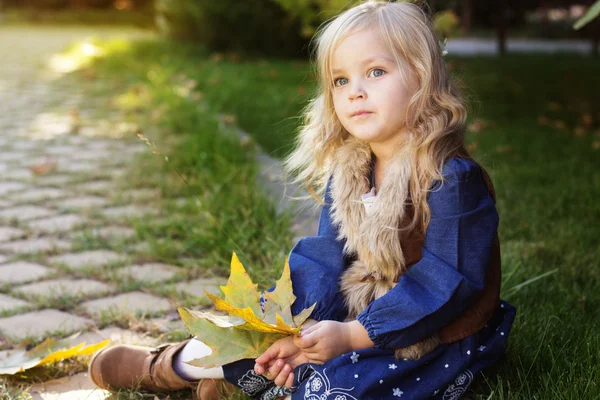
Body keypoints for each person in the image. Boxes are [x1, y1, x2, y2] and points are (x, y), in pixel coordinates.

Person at [88, 1, 517, 399]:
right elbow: (326, 255)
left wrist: (351, 337)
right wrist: (299, 324)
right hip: (351, 314)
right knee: (261, 339)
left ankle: (245, 385)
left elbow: (446, 285)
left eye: (376, 72)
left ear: (421, 78)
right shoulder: (351, 170)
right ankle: (169, 367)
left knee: (337, 384)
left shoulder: (449, 179)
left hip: (429, 333)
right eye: (341, 80)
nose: (355, 91)